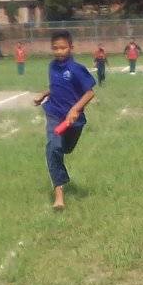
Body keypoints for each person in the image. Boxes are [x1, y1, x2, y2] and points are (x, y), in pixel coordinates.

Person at [34, 30, 96, 211]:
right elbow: (56, 87)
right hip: (54, 114)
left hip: (73, 121)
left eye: (63, 48)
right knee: (53, 148)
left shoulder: (76, 69)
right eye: (55, 48)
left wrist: (75, 109)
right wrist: (44, 95)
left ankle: (61, 174)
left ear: (71, 47)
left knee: (66, 148)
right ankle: (59, 196)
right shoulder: (52, 66)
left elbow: (89, 93)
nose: (59, 51)